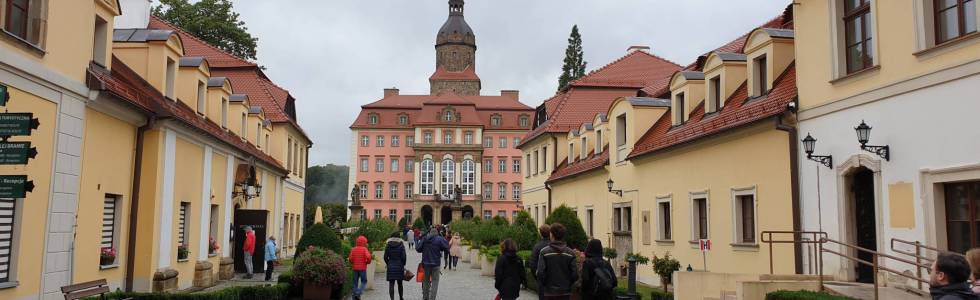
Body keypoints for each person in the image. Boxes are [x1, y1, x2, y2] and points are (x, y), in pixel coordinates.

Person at [536, 223, 578, 300]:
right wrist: (568, 284)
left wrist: (545, 285)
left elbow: (540, 273)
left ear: (551, 235)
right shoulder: (571, 253)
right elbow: (575, 274)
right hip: (565, 292)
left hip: (549, 292)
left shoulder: (544, 252)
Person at [416, 228, 449, 300]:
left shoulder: (425, 239)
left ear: (430, 233)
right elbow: (447, 247)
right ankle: (432, 298)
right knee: (435, 282)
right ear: (437, 233)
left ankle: (425, 297)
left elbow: (418, 248)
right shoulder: (439, 239)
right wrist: (440, 248)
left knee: (425, 281)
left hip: (426, 264)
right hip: (436, 264)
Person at [529, 224, 551, 299]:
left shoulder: (537, 246)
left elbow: (532, 265)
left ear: (540, 234)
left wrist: (537, 277)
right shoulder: (555, 245)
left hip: (542, 280)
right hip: (557, 281)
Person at [384, 232, 407, 300]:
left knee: (391, 284)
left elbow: (385, 257)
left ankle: (392, 299)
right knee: (400, 283)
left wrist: (388, 263)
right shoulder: (401, 245)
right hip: (399, 266)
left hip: (391, 266)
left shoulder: (388, 245)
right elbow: (404, 257)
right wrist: (403, 264)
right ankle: (401, 297)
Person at [348, 235, 372, 300]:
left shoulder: (353, 249)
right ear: (364, 242)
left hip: (355, 268)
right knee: (364, 281)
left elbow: (350, 258)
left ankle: (354, 297)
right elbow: (369, 257)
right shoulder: (364, 249)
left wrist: (353, 263)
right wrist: (368, 262)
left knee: (355, 282)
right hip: (362, 269)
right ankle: (358, 293)